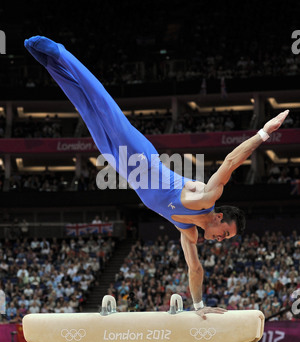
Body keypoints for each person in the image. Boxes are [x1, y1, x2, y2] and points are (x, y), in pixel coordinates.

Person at [24, 36, 289, 319]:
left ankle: (50, 63)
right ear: (219, 218)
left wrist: (199, 308)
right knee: (102, 102)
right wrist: (263, 133)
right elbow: (230, 162)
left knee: (86, 109)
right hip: (140, 157)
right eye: (224, 233)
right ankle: (59, 52)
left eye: (224, 239)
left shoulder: (188, 232)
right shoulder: (207, 198)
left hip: (120, 166)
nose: (220, 239)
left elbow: (195, 269)